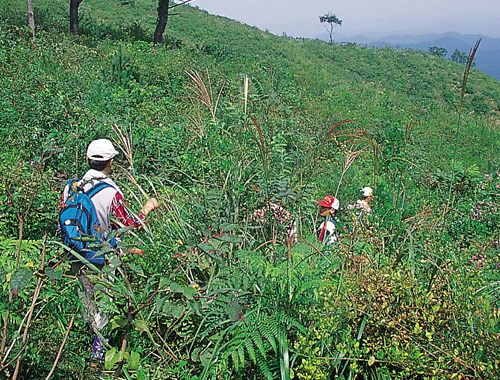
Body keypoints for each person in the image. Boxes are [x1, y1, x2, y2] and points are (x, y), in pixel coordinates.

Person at [60, 139, 159, 361]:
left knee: (87, 299)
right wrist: (146, 209)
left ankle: (88, 343)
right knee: (104, 303)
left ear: (87, 160)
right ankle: (99, 354)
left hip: (76, 254)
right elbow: (128, 225)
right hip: (103, 257)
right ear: (110, 163)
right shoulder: (111, 191)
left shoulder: (71, 187)